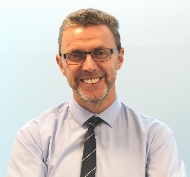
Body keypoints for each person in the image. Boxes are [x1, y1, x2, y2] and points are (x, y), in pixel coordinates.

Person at [7, 8, 186, 177]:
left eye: (101, 53)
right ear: (61, 64)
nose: (90, 66)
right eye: (76, 55)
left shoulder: (155, 138)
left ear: (120, 58)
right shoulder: (34, 137)